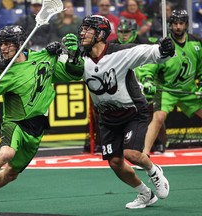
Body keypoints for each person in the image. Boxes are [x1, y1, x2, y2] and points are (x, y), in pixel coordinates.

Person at [0, 25, 84, 215]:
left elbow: (74, 75)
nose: (4, 48)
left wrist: (73, 56)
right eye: (2, 44)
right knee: (6, 153)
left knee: (11, 174)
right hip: (14, 122)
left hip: (37, 127)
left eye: (9, 44)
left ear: (21, 44)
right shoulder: (2, 70)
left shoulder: (44, 58)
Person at [78, 14, 174, 208]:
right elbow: (57, 65)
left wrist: (164, 50)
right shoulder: (78, 58)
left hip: (133, 112)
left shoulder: (120, 52)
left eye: (88, 29)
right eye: (83, 28)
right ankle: (145, 194)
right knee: (114, 162)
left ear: (101, 34)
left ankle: (154, 171)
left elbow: (149, 53)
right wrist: (53, 52)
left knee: (132, 154)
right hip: (107, 118)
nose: (82, 32)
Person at [137, 10, 202, 156]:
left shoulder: (196, 43)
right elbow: (149, 67)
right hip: (165, 90)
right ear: (170, 25)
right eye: (175, 24)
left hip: (189, 90)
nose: (178, 27)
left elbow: (201, 69)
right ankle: (144, 154)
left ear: (186, 25)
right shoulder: (164, 45)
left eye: (181, 23)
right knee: (158, 117)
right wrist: (147, 80)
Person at [110, 18, 167, 154]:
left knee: (152, 111)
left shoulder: (146, 44)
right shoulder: (111, 46)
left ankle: (158, 142)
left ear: (134, 32)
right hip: (120, 84)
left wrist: (148, 80)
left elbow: (153, 64)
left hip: (146, 81)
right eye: (121, 32)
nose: (124, 35)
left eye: (127, 32)